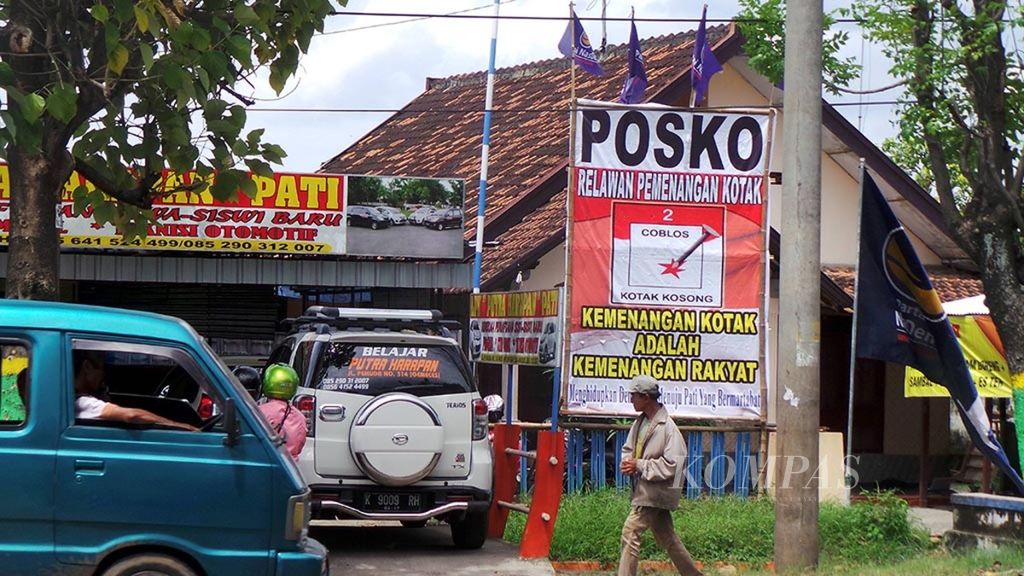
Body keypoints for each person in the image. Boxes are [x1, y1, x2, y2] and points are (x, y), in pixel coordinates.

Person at [618, 374, 703, 576]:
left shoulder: (669, 429)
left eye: (634, 396)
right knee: (668, 538)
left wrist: (640, 465)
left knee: (630, 532)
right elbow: (628, 448)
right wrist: (629, 461)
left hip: (655, 493)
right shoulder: (641, 423)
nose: (631, 400)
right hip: (645, 490)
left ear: (646, 397)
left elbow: (673, 464)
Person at [73, 350, 198, 431]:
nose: (103, 373)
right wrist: (177, 425)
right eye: (101, 366)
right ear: (87, 367)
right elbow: (132, 415)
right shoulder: (81, 403)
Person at [258, 363, 307, 459]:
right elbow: (299, 447)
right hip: (291, 468)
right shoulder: (300, 417)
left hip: (268, 463)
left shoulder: (260, 412)